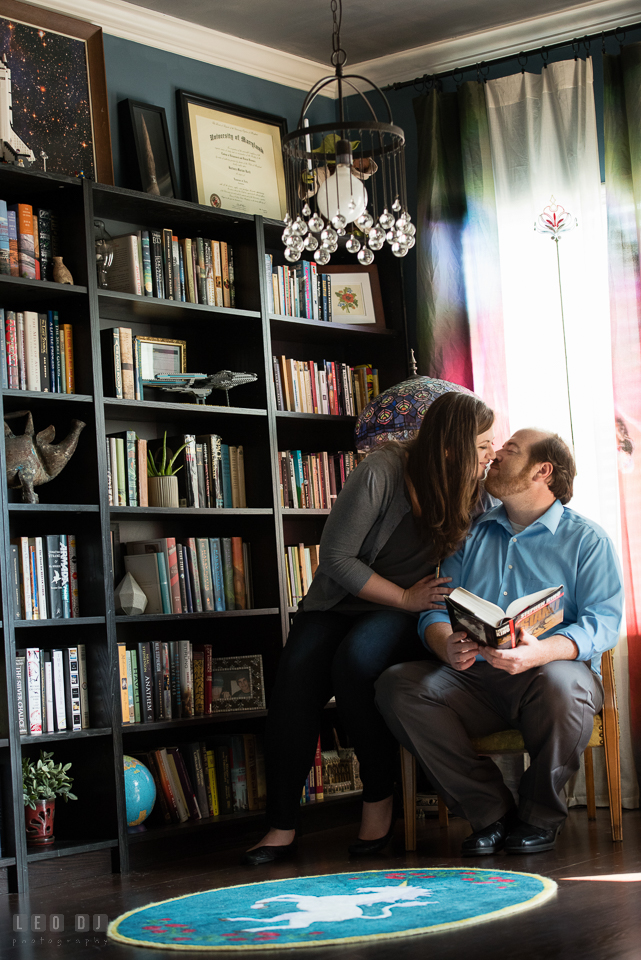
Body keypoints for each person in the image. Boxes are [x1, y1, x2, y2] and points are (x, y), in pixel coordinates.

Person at [244, 391, 497, 864]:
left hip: (405, 611)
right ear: (450, 447)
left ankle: (378, 798)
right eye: (482, 445)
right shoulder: (382, 470)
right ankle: (281, 825)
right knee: (296, 679)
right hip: (343, 600)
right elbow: (335, 557)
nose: (490, 454)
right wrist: (403, 594)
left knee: (357, 661)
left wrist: (412, 604)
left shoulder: (476, 488)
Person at [375, 429, 624, 856]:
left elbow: (603, 622)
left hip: (549, 674)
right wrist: (443, 644)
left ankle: (538, 817)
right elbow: (437, 607)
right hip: (475, 678)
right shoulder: (468, 534)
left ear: (542, 471)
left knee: (564, 686)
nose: (494, 456)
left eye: (510, 451)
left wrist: (543, 651)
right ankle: (490, 812)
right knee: (398, 685)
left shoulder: (588, 540)